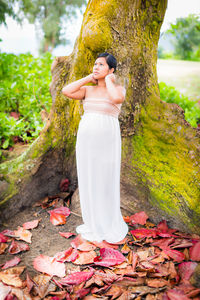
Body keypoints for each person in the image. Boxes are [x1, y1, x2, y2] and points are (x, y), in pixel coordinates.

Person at [62, 52, 129, 243]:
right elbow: (66, 91)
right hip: (86, 142)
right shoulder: (88, 90)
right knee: (89, 177)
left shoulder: (118, 89)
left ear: (111, 69)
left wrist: (108, 80)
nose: (96, 67)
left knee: (105, 179)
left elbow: (116, 99)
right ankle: (92, 221)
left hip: (108, 141)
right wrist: (89, 78)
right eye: (95, 64)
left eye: (101, 65)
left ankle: (107, 222)